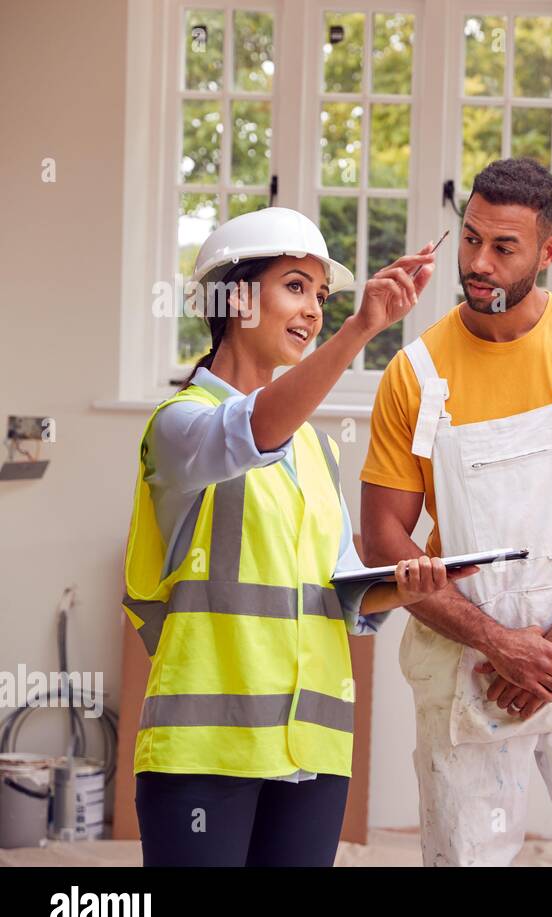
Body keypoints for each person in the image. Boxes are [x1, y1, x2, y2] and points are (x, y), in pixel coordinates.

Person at [121, 206, 474, 866]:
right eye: (294, 285)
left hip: (312, 750)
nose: (312, 309)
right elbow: (250, 431)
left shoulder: (314, 449)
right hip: (206, 749)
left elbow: (340, 596)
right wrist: (363, 327)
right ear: (231, 296)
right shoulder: (179, 428)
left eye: (320, 294)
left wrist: (409, 583)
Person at [360, 158, 552, 866]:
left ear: (548, 252)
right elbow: (383, 537)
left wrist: (550, 653)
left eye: (504, 248)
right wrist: (499, 644)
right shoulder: (415, 374)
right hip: (469, 665)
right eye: (471, 240)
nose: (479, 263)